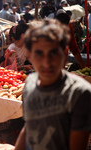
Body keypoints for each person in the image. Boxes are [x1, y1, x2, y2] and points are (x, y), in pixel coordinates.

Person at [15, 19, 91, 150]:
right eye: (39, 53)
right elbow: (29, 127)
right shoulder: (30, 84)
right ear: (29, 54)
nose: (46, 62)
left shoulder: (79, 94)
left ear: (65, 53)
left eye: (53, 53)